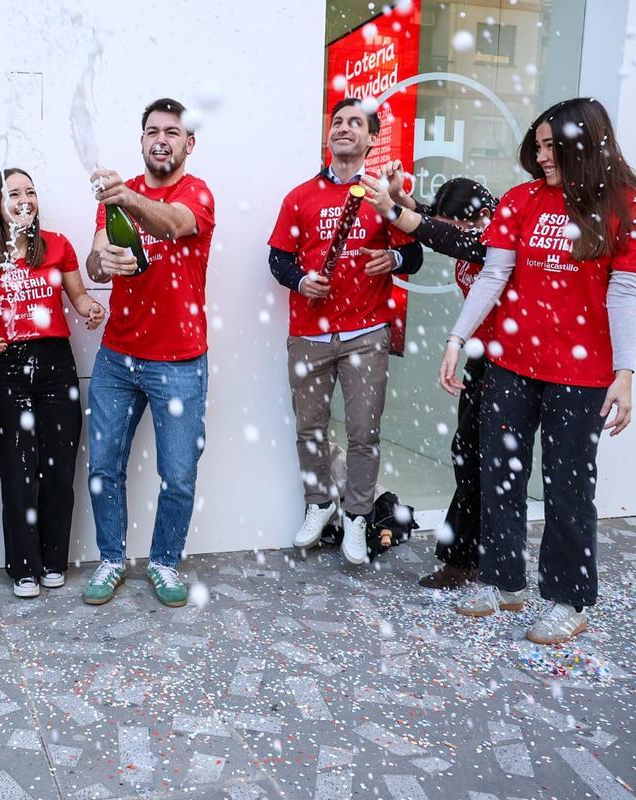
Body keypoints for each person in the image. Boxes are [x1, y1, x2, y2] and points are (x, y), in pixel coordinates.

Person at [439, 98, 636, 644]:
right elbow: (492, 276)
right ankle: (501, 580)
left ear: (584, 143)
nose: (543, 156)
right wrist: (457, 338)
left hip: (582, 374)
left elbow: (625, 291)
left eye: (554, 146)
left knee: (568, 486)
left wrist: (625, 372)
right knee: (499, 473)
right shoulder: (521, 200)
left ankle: (568, 598)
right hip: (511, 364)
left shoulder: (623, 203)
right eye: (540, 144)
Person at [268, 98, 423, 566]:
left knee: (363, 433)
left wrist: (392, 258)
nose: (343, 128)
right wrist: (299, 279)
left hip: (366, 332)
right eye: (337, 122)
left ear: (372, 138)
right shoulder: (299, 197)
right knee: (310, 429)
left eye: (355, 123)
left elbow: (414, 256)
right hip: (308, 336)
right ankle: (320, 504)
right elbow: (276, 258)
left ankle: (357, 516)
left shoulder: (383, 197)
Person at [82, 98, 215, 607]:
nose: (162, 139)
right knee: (103, 467)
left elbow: (172, 224)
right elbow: (96, 264)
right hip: (117, 358)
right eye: (153, 131)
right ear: (141, 141)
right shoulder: (114, 198)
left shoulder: (197, 193)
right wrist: (103, 260)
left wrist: (127, 200)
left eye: (172, 132)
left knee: (178, 475)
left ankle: (163, 563)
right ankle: (111, 559)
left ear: (188, 144)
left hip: (180, 361)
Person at [0, 168, 105, 598]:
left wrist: (89, 308)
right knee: (18, 474)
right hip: (7, 367)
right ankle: (24, 567)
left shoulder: (58, 245)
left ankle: (53, 561)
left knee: (58, 471)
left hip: (56, 366)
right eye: (14, 193)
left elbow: (78, 296)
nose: (25, 199)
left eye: (30, 192)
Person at [361, 171, 497, 589]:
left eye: (454, 227)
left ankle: (472, 560)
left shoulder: (497, 240)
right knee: (468, 453)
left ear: (484, 217)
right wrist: (406, 201)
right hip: (480, 358)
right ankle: (467, 557)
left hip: (509, 364)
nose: (449, 237)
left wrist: (395, 209)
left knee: (483, 459)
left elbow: (447, 238)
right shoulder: (468, 231)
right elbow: (439, 229)